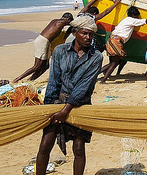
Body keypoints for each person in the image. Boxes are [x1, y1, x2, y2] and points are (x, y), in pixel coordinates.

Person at [35, 16, 102, 175]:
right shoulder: (59, 51)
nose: (88, 38)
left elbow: (84, 86)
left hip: (80, 105)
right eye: (85, 34)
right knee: (45, 144)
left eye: (91, 35)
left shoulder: (96, 57)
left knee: (79, 148)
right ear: (75, 32)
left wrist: (66, 110)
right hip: (57, 102)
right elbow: (54, 81)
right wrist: (50, 108)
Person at [100, 6, 147, 84]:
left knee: (113, 62)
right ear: (134, 15)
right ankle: (103, 80)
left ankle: (96, 75)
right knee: (114, 63)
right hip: (116, 41)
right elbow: (146, 21)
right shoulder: (131, 20)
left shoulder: (125, 20)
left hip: (112, 39)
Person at [14, 12, 74, 82]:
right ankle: (17, 79)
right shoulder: (62, 22)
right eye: (69, 20)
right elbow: (74, 23)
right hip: (43, 41)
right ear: (67, 19)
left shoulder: (55, 21)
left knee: (45, 66)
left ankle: (30, 80)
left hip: (46, 42)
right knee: (37, 66)